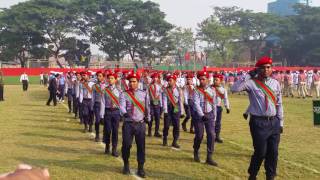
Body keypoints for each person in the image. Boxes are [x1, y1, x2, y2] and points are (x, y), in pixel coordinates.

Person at [231, 56, 283, 180]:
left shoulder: (275, 83)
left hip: (274, 122)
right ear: (258, 69)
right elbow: (234, 89)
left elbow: (279, 103)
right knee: (260, 152)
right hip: (258, 123)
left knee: (273, 152)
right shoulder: (251, 83)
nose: (266, 70)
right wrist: (248, 75)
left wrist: (281, 122)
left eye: (268, 67)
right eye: (263, 68)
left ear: (271, 69)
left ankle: (270, 176)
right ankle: (252, 174)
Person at [119, 72, 150, 178]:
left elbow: (147, 107)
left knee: (141, 146)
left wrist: (148, 118)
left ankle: (140, 167)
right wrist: (124, 113)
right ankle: (126, 164)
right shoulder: (124, 94)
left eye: (134, 81)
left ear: (138, 82)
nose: (132, 83)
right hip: (128, 123)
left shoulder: (144, 93)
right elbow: (121, 106)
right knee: (126, 145)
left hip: (140, 124)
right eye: (130, 81)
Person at [193, 71, 218, 166]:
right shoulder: (196, 90)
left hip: (210, 114)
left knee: (211, 135)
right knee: (199, 135)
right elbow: (196, 103)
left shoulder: (212, 90)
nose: (202, 81)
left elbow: (214, 104)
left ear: (207, 79)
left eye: (204, 79)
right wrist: (201, 115)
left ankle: (209, 156)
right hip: (199, 116)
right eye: (200, 79)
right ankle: (196, 150)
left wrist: (214, 116)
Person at [100, 72, 121, 157]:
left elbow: (121, 102)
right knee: (107, 130)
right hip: (108, 111)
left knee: (115, 131)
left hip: (116, 112)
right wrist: (101, 115)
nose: (110, 80)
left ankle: (114, 149)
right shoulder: (105, 89)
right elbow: (102, 102)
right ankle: (107, 146)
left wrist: (122, 114)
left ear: (115, 80)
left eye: (112, 78)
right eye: (109, 78)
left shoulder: (119, 90)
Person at [162, 74, 182, 148]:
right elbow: (164, 100)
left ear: (175, 81)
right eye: (168, 81)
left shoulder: (178, 89)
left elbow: (180, 100)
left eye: (170, 81)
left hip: (176, 107)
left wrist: (182, 111)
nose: (169, 82)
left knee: (176, 125)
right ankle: (165, 139)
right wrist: (165, 111)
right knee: (166, 125)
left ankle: (175, 141)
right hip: (168, 107)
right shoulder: (165, 90)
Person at [212, 74, 230, 143]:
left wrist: (227, 107)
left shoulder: (223, 89)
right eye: (214, 80)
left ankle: (217, 136)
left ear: (220, 81)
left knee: (218, 123)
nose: (215, 81)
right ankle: (211, 137)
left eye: (217, 80)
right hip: (211, 108)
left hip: (218, 108)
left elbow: (225, 99)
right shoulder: (210, 88)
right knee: (212, 123)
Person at [91, 71, 106, 142]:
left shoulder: (107, 86)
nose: (98, 77)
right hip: (97, 104)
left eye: (100, 76)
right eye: (98, 76)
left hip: (105, 106)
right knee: (97, 120)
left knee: (105, 121)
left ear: (103, 77)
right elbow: (93, 96)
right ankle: (97, 135)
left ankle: (105, 136)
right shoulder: (94, 86)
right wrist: (92, 105)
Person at [147, 73, 163, 137]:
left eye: (156, 78)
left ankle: (156, 132)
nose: (155, 79)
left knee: (157, 119)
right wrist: (147, 104)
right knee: (151, 118)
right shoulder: (149, 86)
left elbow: (160, 95)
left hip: (157, 103)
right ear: (152, 78)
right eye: (154, 78)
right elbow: (147, 95)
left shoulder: (159, 86)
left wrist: (161, 104)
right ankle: (149, 131)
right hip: (151, 103)